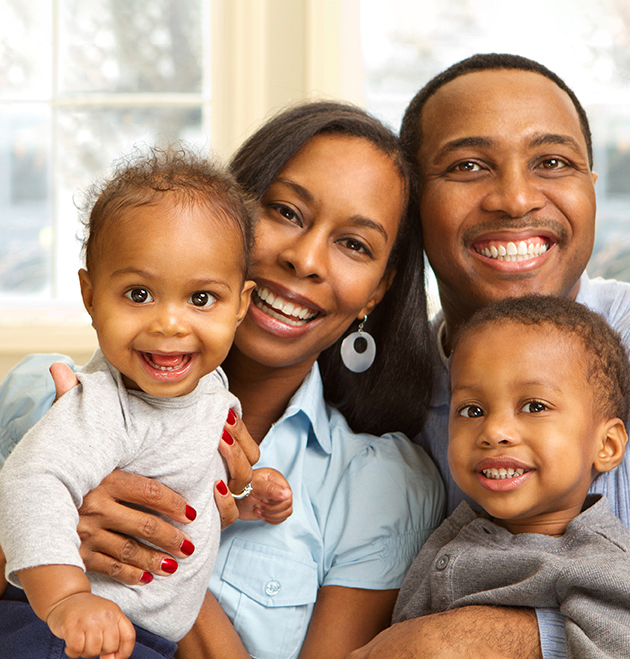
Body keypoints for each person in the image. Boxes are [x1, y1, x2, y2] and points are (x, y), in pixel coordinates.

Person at [0, 102, 445, 658]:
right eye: (285, 211)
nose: (306, 259)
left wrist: (165, 547)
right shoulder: (42, 395)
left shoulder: (381, 487)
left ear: (377, 292)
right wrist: (55, 549)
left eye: (354, 244)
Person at [347, 53, 630, 659]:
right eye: (469, 165)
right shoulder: (376, 402)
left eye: (553, 162)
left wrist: (513, 639)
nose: (513, 198)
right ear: (412, 207)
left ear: (590, 187)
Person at [0, 147, 296, 659]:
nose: (169, 324)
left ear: (241, 304)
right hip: (64, 630)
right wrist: (67, 599)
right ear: (91, 297)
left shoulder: (211, 391)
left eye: (201, 299)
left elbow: (191, 496)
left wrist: (246, 499)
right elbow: (32, 482)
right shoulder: (102, 405)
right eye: (138, 294)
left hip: (146, 635)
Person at [393, 295, 630, 658]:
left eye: (534, 406)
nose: (494, 431)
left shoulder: (604, 566)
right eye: (472, 409)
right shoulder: (450, 535)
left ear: (606, 446)